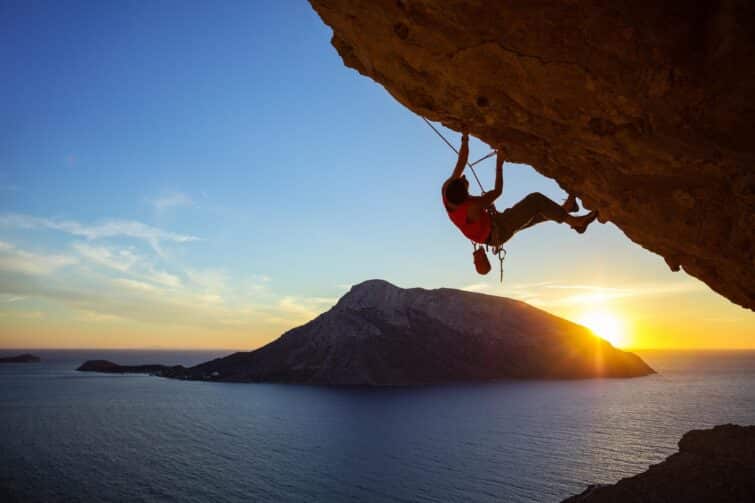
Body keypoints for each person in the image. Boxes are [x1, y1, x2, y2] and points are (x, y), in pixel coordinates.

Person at [441, 133, 598, 247]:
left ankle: (565, 209)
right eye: (464, 182)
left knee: (534, 213)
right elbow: (497, 192)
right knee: (535, 201)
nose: (463, 177)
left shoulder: (448, 188)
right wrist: (499, 165)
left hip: (494, 224)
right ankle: (576, 222)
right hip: (498, 231)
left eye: (461, 179)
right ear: (466, 197)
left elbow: (462, 159)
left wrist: (465, 136)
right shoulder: (472, 207)